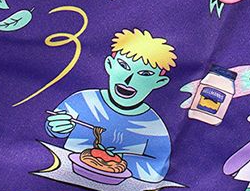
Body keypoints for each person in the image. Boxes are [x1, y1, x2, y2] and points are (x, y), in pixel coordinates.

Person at [45, 29, 176, 183]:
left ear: (159, 82)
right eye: (124, 66)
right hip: (63, 176)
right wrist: (55, 127)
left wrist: (116, 160)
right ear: (109, 65)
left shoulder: (154, 126)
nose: (128, 80)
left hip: (122, 190)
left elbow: (157, 169)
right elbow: (53, 128)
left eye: (145, 74)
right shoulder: (82, 100)